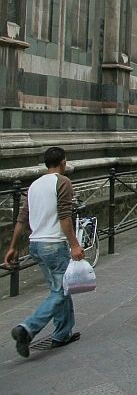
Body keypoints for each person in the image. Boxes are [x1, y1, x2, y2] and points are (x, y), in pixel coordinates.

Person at [4, 147, 84, 357]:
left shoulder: (34, 185)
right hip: (53, 244)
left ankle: (62, 333)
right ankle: (27, 329)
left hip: (36, 244)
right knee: (61, 291)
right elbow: (65, 216)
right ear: (63, 162)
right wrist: (75, 244)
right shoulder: (63, 182)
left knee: (59, 289)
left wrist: (12, 247)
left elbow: (22, 218)